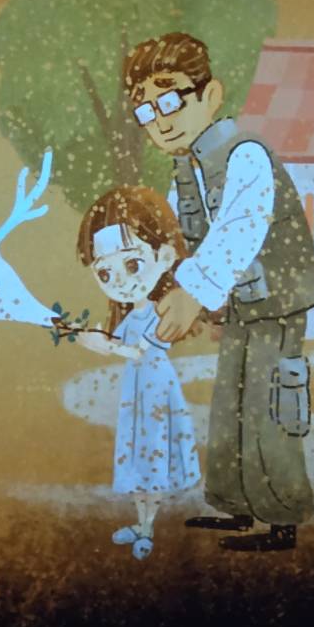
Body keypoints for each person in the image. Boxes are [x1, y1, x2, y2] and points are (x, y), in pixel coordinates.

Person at [122, 32, 314, 552]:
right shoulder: (185, 171)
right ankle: (238, 507)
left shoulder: (245, 155)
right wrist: (175, 295)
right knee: (229, 406)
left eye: (170, 100)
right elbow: (183, 243)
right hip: (238, 310)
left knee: (269, 405)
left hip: (277, 304)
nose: (160, 120)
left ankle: (280, 518)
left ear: (209, 96)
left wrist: (193, 294)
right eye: (145, 110)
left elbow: (238, 232)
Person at [73, 186, 201, 560]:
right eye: (105, 272)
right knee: (138, 459)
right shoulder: (131, 315)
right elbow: (121, 343)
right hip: (138, 392)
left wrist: (106, 346)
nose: (121, 281)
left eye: (132, 265)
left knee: (152, 458)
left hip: (155, 392)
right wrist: (96, 339)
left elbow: (139, 351)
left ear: (164, 257)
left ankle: (148, 527)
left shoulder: (163, 312)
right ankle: (141, 524)